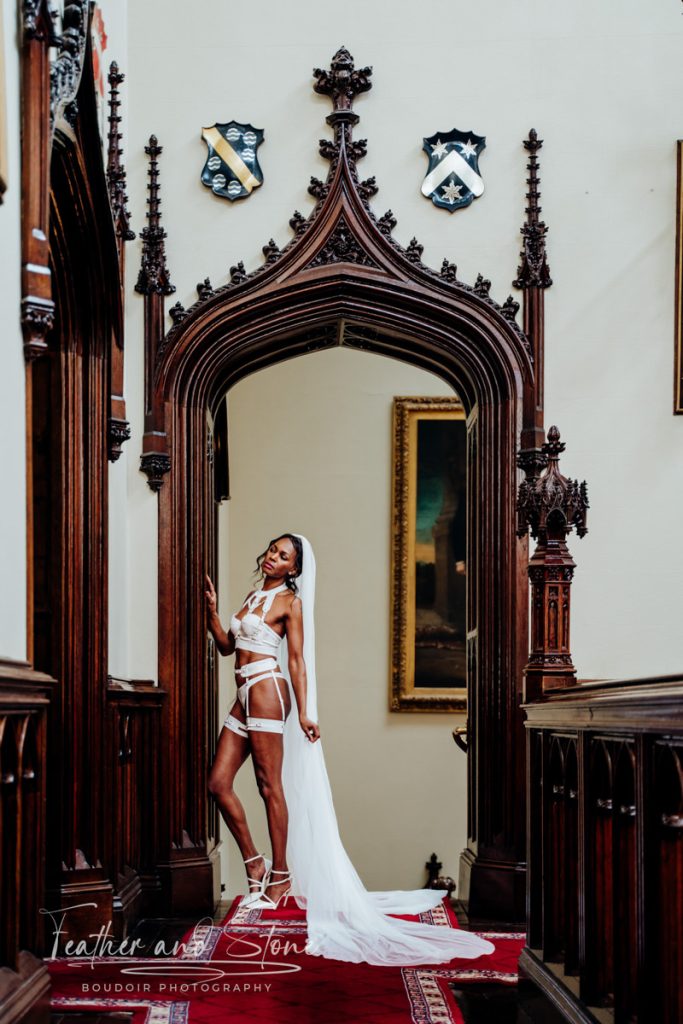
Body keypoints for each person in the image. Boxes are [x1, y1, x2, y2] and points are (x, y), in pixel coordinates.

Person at [205, 532, 495, 966]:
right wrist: (211, 613)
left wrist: (305, 712)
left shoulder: (290, 603)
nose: (273, 557)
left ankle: (280, 877)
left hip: (268, 691)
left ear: (294, 569)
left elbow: (298, 660)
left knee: (269, 786)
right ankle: (256, 864)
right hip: (242, 691)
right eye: (271, 549)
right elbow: (229, 647)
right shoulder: (252, 596)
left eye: (283, 556)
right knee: (218, 783)